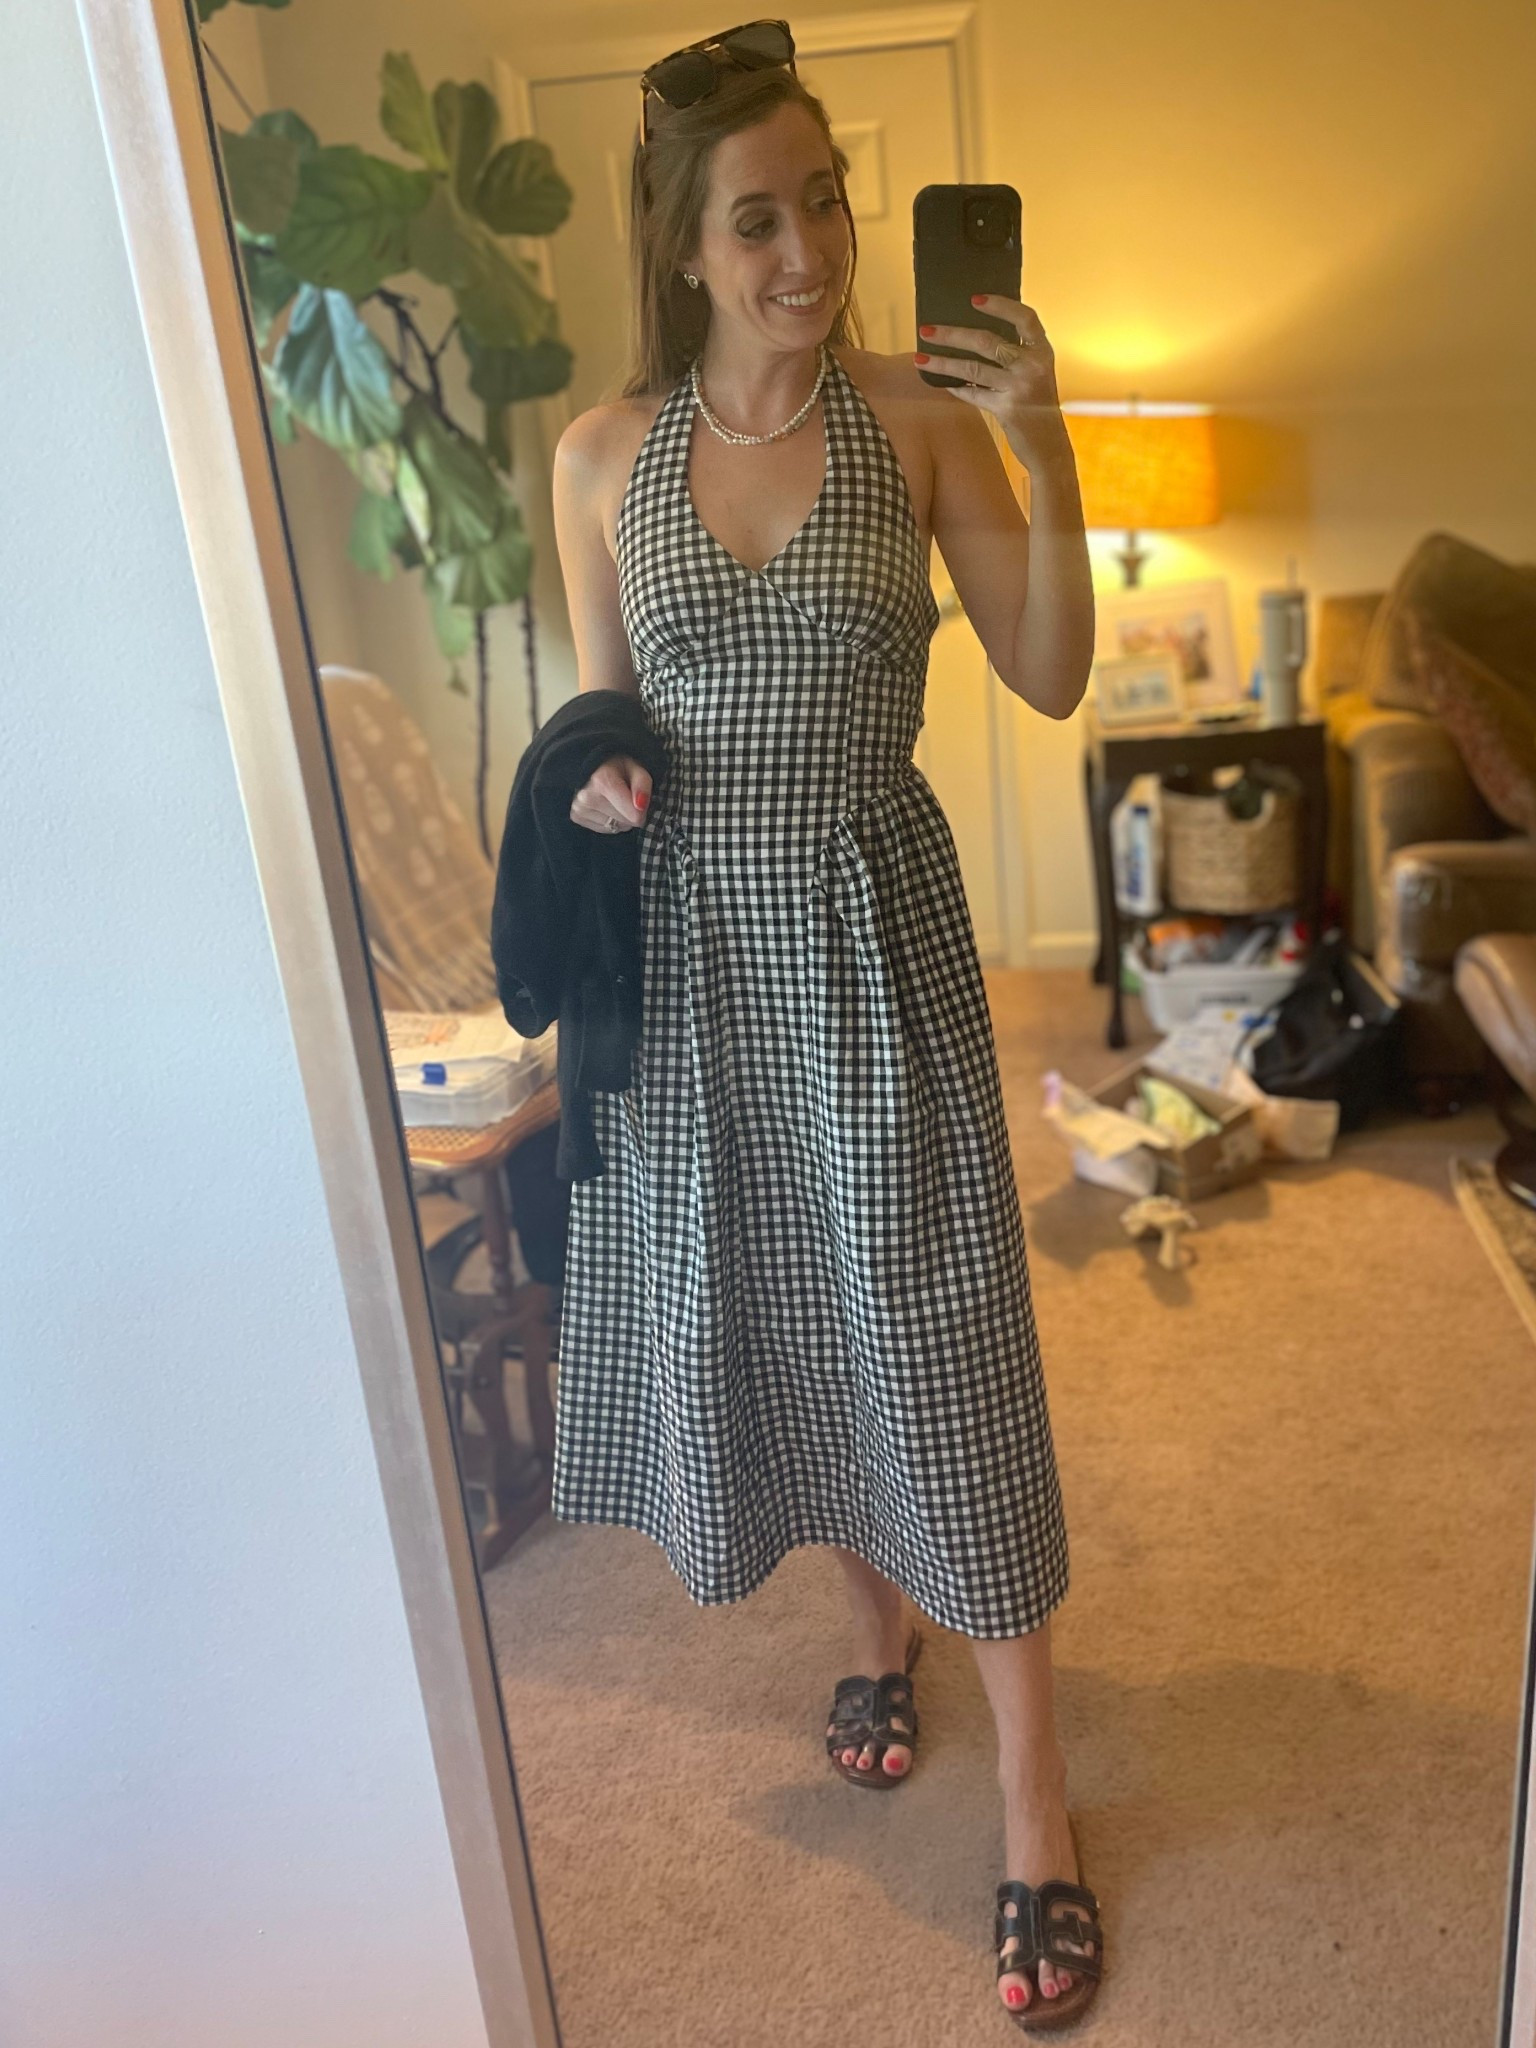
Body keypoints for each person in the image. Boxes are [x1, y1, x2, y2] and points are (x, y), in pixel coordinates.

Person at [545, 18, 1101, 2028]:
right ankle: (880, 1628)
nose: (810, 252)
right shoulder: (599, 459)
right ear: (686, 249)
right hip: (697, 966)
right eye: (760, 220)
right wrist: (602, 782)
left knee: (941, 1336)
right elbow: (598, 724)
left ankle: (1035, 1802)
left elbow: (1048, 671)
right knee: (784, 1326)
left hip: (874, 940)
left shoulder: (917, 419)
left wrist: (1048, 440)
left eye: (830, 202)